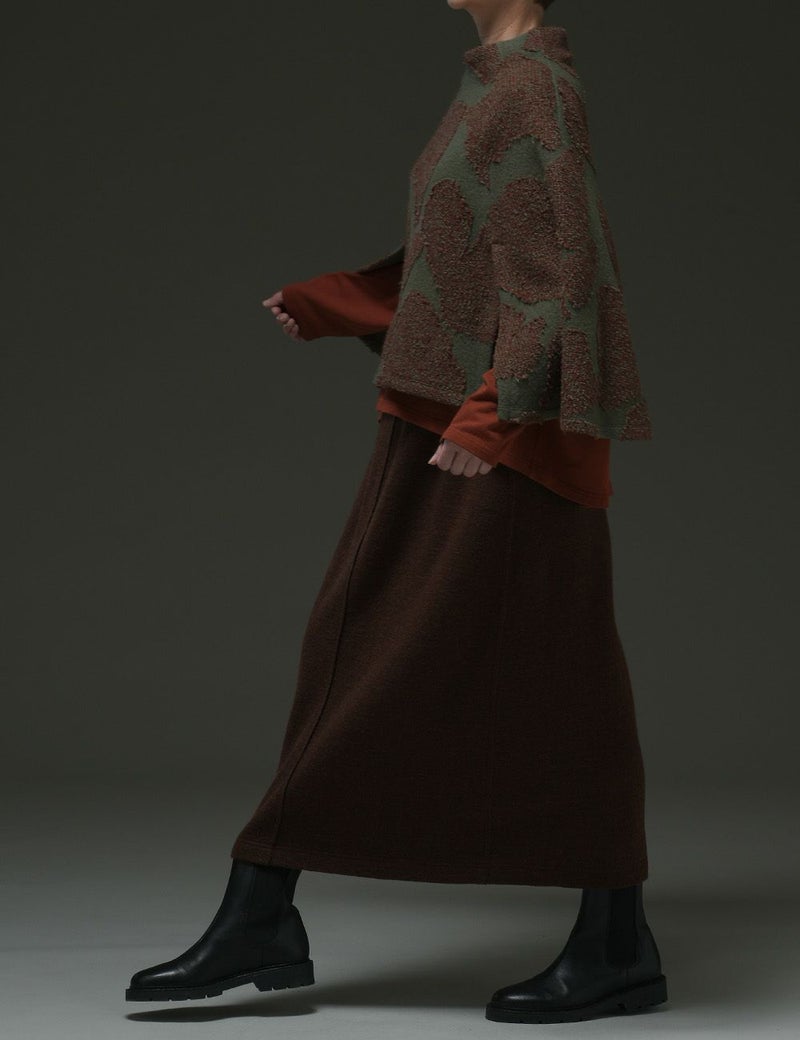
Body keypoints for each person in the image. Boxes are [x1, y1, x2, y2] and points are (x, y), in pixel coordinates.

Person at [126, 0, 669, 1024]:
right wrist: (339, 302)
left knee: (523, 671)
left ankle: (605, 942)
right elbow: (464, 246)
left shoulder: (536, 87)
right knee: (431, 652)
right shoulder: (492, 80)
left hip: (500, 433)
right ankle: (268, 910)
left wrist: (490, 415)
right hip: (453, 417)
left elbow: (561, 271)